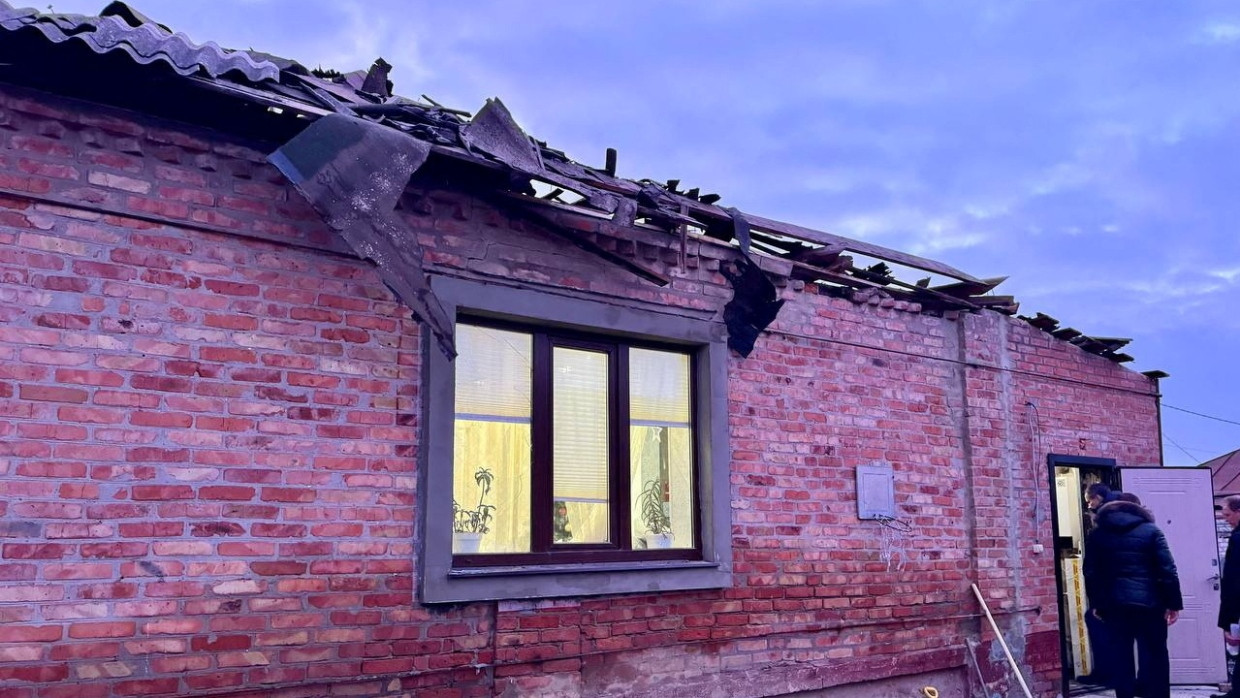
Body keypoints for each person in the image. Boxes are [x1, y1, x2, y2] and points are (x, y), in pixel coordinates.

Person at [1084, 494, 1182, 698]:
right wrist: (1173, 604)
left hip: (1114, 605)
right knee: (1155, 656)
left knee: (1121, 658)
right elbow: (1167, 570)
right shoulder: (1151, 531)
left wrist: (1097, 604)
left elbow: (1091, 573)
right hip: (1151, 604)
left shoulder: (1097, 535)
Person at [1078, 482, 1120, 687]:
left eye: (1090, 501)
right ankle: (1108, 674)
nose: (1089, 506)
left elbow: (1096, 568)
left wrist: (1097, 601)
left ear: (1099, 498)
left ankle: (1108, 675)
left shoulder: (1105, 526)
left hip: (1109, 594)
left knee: (1106, 631)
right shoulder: (1123, 515)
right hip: (1119, 592)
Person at [1214, 496, 1240, 698]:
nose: (1226, 520)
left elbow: (1233, 580)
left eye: (1228, 515)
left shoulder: (1238, 538)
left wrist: (1228, 620)